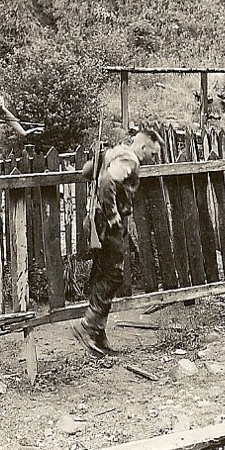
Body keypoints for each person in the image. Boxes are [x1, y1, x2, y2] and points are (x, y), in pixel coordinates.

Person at [72, 130, 163, 357]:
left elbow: (86, 172)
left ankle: (98, 335)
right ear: (143, 148)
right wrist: (113, 215)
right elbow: (106, 182)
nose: (155, 158)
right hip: (107, 223)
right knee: (114, 275)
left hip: (95, 219)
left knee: (103, 273)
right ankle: (87, 326)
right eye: (154, 153)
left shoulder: (115, 152)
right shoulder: (130, 159)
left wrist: (102, 160)